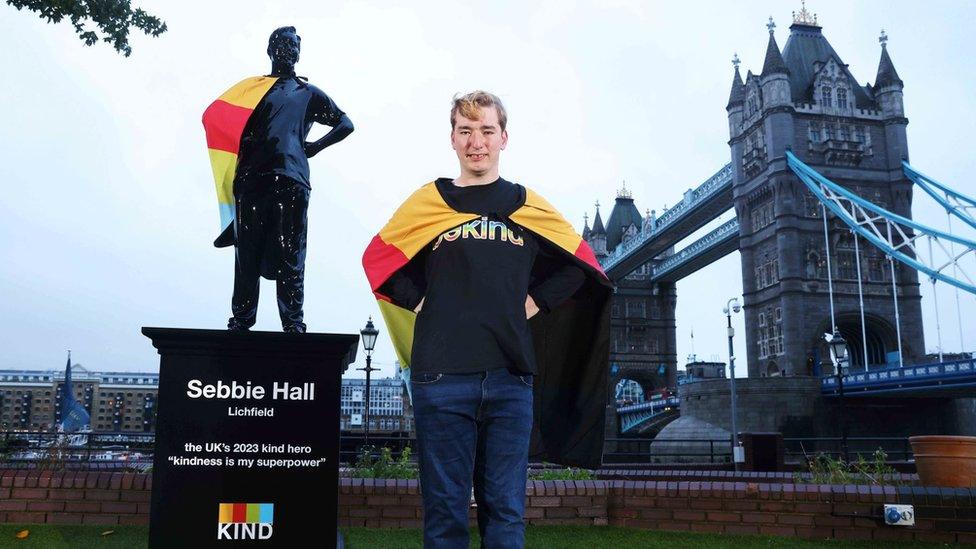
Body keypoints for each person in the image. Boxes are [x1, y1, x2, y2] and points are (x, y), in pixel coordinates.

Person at [362, 91, 612, 548]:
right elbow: (378, 258)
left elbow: (582, 264)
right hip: (441, 377)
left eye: (486, 131)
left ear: (504, 138)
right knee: (445, 514)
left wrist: (534, 301)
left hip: (510, 378)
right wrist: (423, 303)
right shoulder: (430, 201)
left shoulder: (527, 204)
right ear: (453, 140)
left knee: (506, 513)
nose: (477, 141)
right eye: (466, 131)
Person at [203, 26, 353, 333]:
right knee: (247, 253)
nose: (289, 50)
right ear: (270, 50)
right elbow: (215, 117)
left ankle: (293, 322)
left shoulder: (308, 93)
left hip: (292, 178)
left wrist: (313, 147)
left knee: (291, 252)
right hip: (251, 179)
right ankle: (242, 320)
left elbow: (345, 123)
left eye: (294, 46)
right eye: (284, 44)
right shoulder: (250, 91)